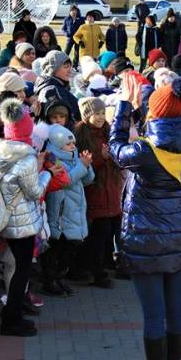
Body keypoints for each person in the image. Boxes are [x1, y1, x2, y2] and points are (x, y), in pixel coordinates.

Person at [109, 70, 181, 360]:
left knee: (153, 316)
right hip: (179, 238)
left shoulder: (145, 151)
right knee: (176, 312)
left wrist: (123, 106)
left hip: (147, 241)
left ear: (154, 114)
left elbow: (116, 149)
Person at [0, 99, 59, 336]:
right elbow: (35, 192)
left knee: (17, 268)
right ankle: (11, 320)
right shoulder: (27, 158)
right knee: (21, 271)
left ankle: (12, 313)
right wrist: (47, 173)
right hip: (23, 222)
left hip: (7, 218)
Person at [74, 97, 123, 288]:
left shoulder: (109, 132)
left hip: (110, 187)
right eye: (97, 113)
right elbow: (84, 166)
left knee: (107, 230)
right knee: (97, 234)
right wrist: (101, 159)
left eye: (103, 113)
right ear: (87, 115)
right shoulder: (81, 135)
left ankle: (99, 267)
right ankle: (96, 272)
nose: (101, 117)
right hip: (94, 190)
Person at [41, 124, 94, 295]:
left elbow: (87, 180)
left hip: (74, 210)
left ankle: (60, 278)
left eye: (73, 143)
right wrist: (82, 166)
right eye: (68, 144)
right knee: (56, 249)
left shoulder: (74, 157)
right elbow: (67, 180)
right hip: (60, 212)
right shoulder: (53, 159)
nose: (72, 146)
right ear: (58, 145)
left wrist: (87, 165)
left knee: (68, 250)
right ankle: (50, 281)